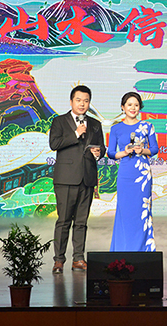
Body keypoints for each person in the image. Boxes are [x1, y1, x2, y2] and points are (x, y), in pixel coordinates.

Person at [49, 85, 106, 273]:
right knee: (64, 221)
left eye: (86, 101)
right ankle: (59, 260)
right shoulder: (59, 121)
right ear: (71, 101)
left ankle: (78, 259)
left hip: (87, 178)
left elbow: (102, 147)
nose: (82, 104)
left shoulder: (95, 124)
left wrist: (99, 152)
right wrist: (76, 133)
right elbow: (54, 144)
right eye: (79, 100)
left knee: (81, 222)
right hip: (66, 179)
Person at [107, 91, 159, 251]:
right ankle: (123, 249)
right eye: (129, 104)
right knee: (124, 211)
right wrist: (124, 152)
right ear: (123, 107)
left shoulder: (147, 126)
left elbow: (154, 149)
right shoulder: (116, 128)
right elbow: (110, 153)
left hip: (142, 174)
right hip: (125, 173)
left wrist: (142, 151)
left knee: (141, 212)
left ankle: (142, 249)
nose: (133, 108)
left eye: (136, 105)